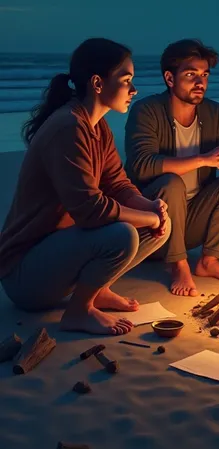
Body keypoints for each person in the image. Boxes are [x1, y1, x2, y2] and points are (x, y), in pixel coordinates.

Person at [0, 38, 170, 336]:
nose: (134, 90)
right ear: (97, 83)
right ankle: (79, 312)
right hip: (25, 277)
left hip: (61, 255)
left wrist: (152, 209)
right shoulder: (68, 127)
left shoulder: (97, 126)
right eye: (127, 80)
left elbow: (117, 183)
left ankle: (97, 290)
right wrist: (149, 217)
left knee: (160, 226)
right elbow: (92, 211)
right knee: (122, 234)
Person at [124, 38, 219, 297]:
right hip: (152, 226)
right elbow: (141, 166)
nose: (200, 83)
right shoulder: (147, 110)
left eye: (204, 75)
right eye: (191, 74)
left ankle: (209, 261)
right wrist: (204, 159)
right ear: (170, 79)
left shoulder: (214, 112)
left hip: (191, 223)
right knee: (171, 182)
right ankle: (178, 264)